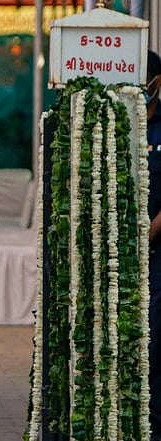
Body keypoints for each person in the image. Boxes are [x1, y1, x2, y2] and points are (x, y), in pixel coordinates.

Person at [145, 49, 161, 441]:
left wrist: (145, 235)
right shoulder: (113, 127)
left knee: (156, 344)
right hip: (118, 261)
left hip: (156, 255)